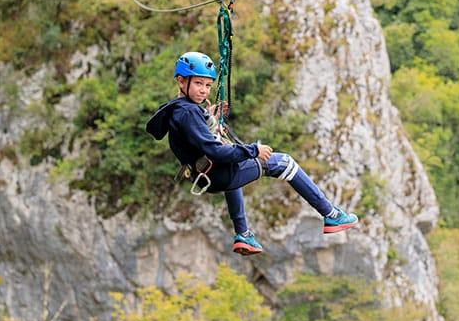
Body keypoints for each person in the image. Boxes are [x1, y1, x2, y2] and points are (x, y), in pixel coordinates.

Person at [146, 51, 359, 255]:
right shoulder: (189, 112)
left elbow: (195, 135)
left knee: (234, 165)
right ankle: (331, 215)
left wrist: (209, 118)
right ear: (181, 81)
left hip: (207, 175)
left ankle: (244, 235)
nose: (204, 90)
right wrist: (254, 150)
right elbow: (216, 151)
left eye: (208, 85)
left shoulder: (178, 109)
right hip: (217, 172)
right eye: (198, 83)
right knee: (284, 163)